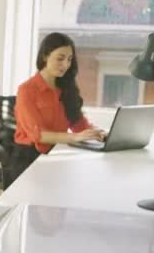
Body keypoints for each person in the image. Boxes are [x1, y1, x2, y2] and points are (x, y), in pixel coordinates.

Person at [13, 32, 105, 178]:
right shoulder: (26, 90)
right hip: (28, 159)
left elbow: (79, 124)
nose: (66, 65)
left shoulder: (66, 88)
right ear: (45, 56)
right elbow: (38, 135)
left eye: (69, 59)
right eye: (60, 58)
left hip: (56, 153)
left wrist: (100, 134)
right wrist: (75, 137)